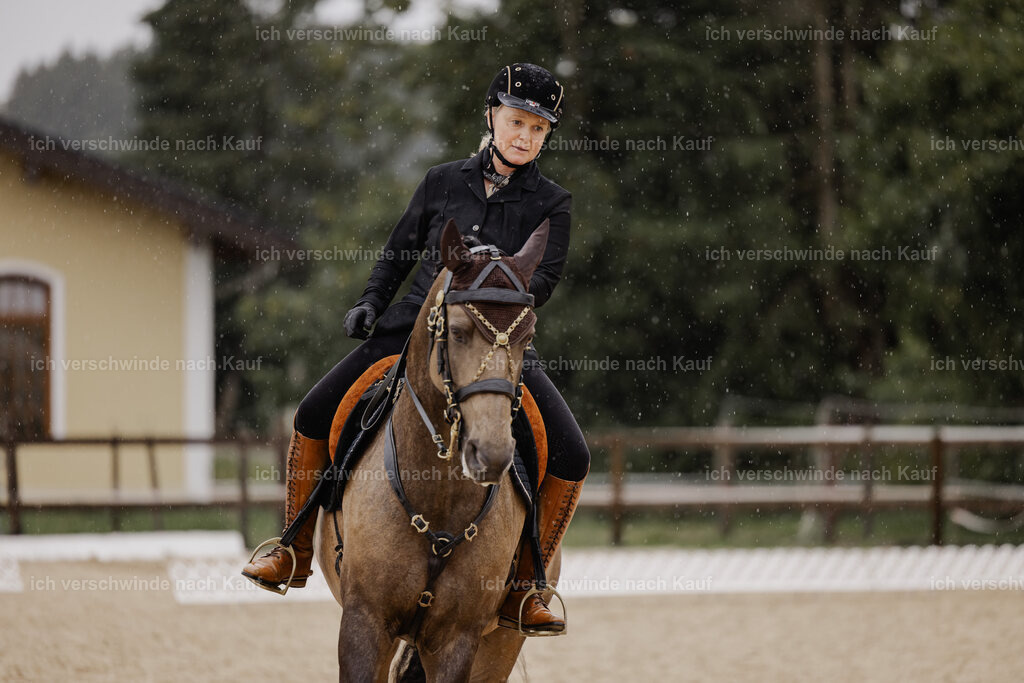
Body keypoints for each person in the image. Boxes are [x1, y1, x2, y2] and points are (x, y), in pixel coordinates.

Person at [242, 63, 590, 634]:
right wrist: (371, 301)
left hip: (497, 344)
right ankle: (293, 547)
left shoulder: (554, 202)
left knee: (572, 453)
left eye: (538, 129)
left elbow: (543, 282)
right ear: (492, 117)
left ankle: (529, 587)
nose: (525, 137)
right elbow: (398, 252)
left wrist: (484, 268)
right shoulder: (442, 180)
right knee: (311, 413)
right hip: (411, 329)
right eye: (516, 122)